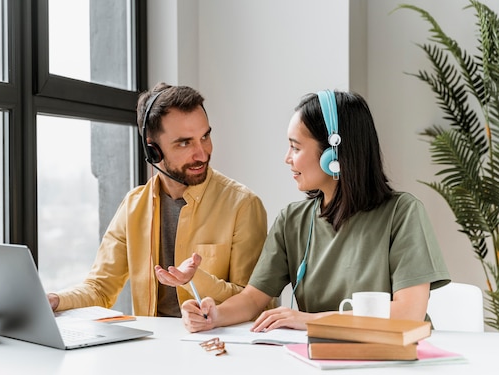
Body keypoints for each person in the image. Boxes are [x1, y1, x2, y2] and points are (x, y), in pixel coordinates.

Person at [181, 89, 451, 332]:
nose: (287, 158)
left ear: (333, 154)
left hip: (401, 360)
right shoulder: (292, 221)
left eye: (295, 147)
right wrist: (214, 315)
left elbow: (408, 315)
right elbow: (253, 298)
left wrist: (309, 320)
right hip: (320, 358)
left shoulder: (402, 214)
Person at [47, 82, 268, 317]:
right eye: (185, 143)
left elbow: (254, 302)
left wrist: (196, 280)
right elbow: (100, 289)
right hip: (152, 348)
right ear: (153, 151)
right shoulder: (133, 207)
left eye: (205, 136)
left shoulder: (243, 205)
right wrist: (55, 300)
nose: (202, 153)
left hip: (215, 348)